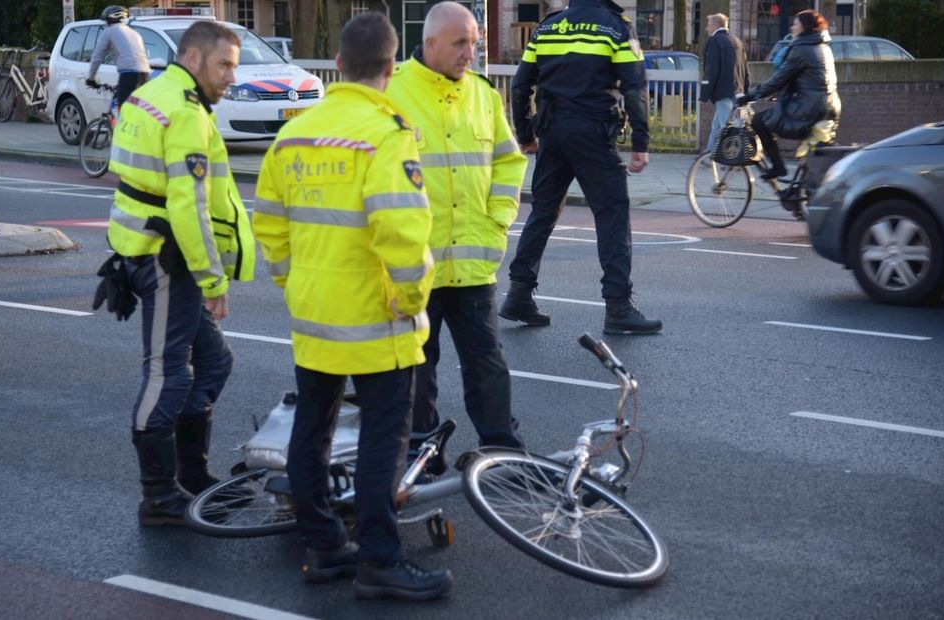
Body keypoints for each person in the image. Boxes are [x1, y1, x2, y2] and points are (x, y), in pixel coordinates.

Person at [253, 12, 452, 602]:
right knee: (381, 441)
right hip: (377, 320)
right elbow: (403, 231)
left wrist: (295, 285)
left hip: (315, 315)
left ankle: (324, 546)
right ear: (392, 68)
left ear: (338, 64)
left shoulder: (295, 134)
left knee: (312, 431)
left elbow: (270, 224)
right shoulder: (387, 134)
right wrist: (411, 301)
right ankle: (381, 561)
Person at [106, 21, 255, 526]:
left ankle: (191, 477)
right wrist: (214, 281)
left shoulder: (148, 94)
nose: (232, 76)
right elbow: (188, 206)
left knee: (213, 364)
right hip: (170, 259)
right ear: (193, 58)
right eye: (225, 64)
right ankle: (159, 497)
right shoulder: (186, 113)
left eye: (234, 64)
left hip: (142, 249)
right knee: (168, 375)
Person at [385, 1, 529, 473]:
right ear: (429, 45)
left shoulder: (483, 96)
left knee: (488, 366)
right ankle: (423, 456)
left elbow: (509, 161)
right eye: (460, 43)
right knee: (417, 371)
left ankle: (502, 451)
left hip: (472, 262)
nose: (471, 52)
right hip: (417, 267)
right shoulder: (392, 94)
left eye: (475, 42)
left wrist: (497, 221)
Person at [499, 0, 662, 336]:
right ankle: (618, 306)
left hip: (552, 132)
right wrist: (641, 144)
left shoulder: (548, 26)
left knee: (543, 212)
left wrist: (526, 134)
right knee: (612, 213)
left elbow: (520, 85)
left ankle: (518, 294)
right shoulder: (616, 27)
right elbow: (634, 88)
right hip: (592, 132)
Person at [737, 10, 840, 180]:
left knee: (758, 122)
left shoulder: (802, 50)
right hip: (827, 105)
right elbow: (805, 80)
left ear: (804, 27)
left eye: (795, 23)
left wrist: (749, 96)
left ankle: (778, 167)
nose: (792, 27)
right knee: (807, 149)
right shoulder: (822, 46)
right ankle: (798, 191)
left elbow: (779, 79)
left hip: (811, 107)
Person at [701, 13, 749, 155]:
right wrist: (746, 90)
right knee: (717, 124)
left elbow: (711, 69)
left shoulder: (714, 41)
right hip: (738, 90)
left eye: (708, 25)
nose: (706, 28)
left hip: (723, 91)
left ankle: (734, 156)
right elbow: (745, 69)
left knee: (726, 127)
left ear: (716, 25)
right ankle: (709, 155)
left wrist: (705, 93)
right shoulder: (737, 41)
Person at [87, 5, 152, 107]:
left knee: (124, 110)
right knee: (141, 110)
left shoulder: (109, 32)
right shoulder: (135, 33)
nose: (106, 24)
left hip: (128, 75)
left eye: (106, 21)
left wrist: (91, 78)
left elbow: (97, 56)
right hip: (145, 75)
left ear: (110, 20)